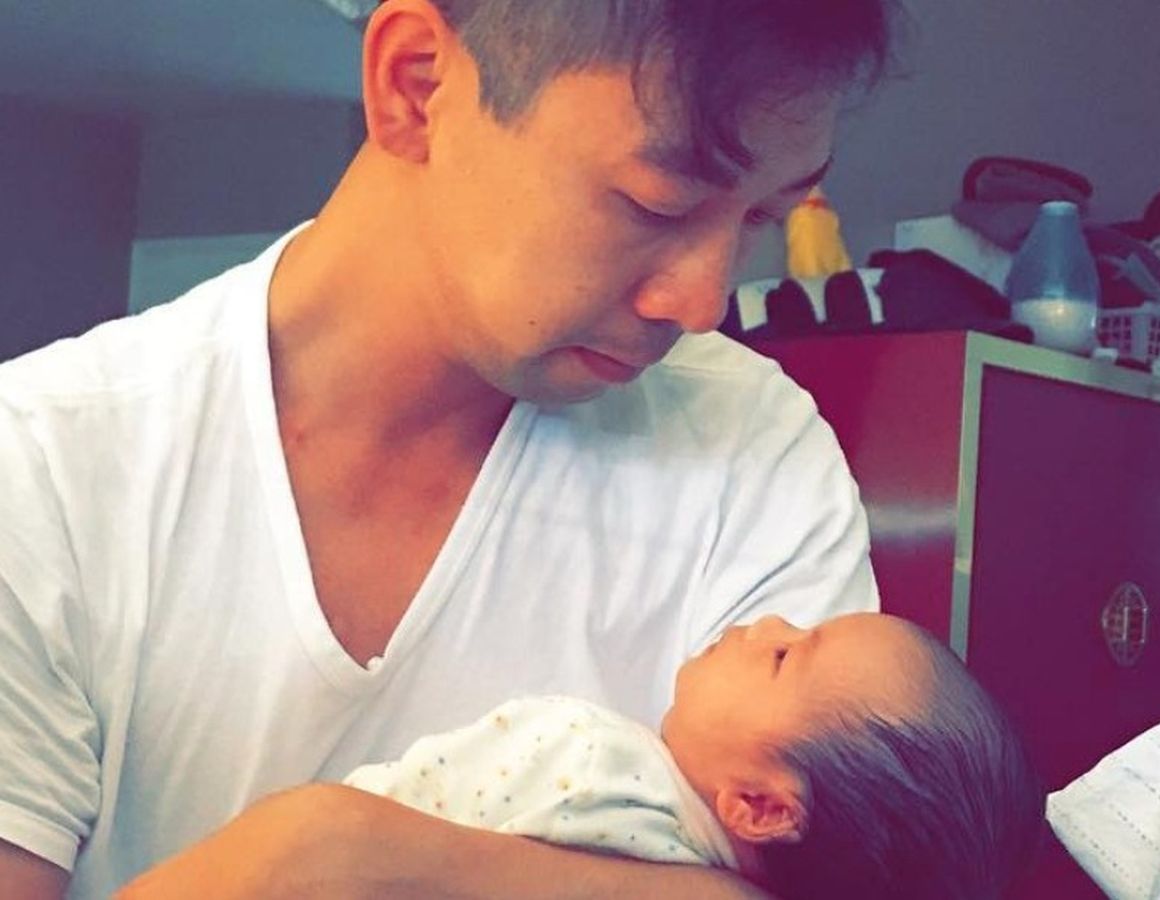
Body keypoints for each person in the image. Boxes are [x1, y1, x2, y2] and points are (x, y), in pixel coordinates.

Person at [0, 1, 903, 897]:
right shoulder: (42, 469)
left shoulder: (750, 447)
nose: (704, 303)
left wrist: (343, 853)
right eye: (655, 204)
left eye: (764, 217)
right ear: (416, 85)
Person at [344, 612, 1043, 899]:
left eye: (782, 657)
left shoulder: (583, 757)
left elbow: (355, 823)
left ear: (760, 807)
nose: (765, 624)